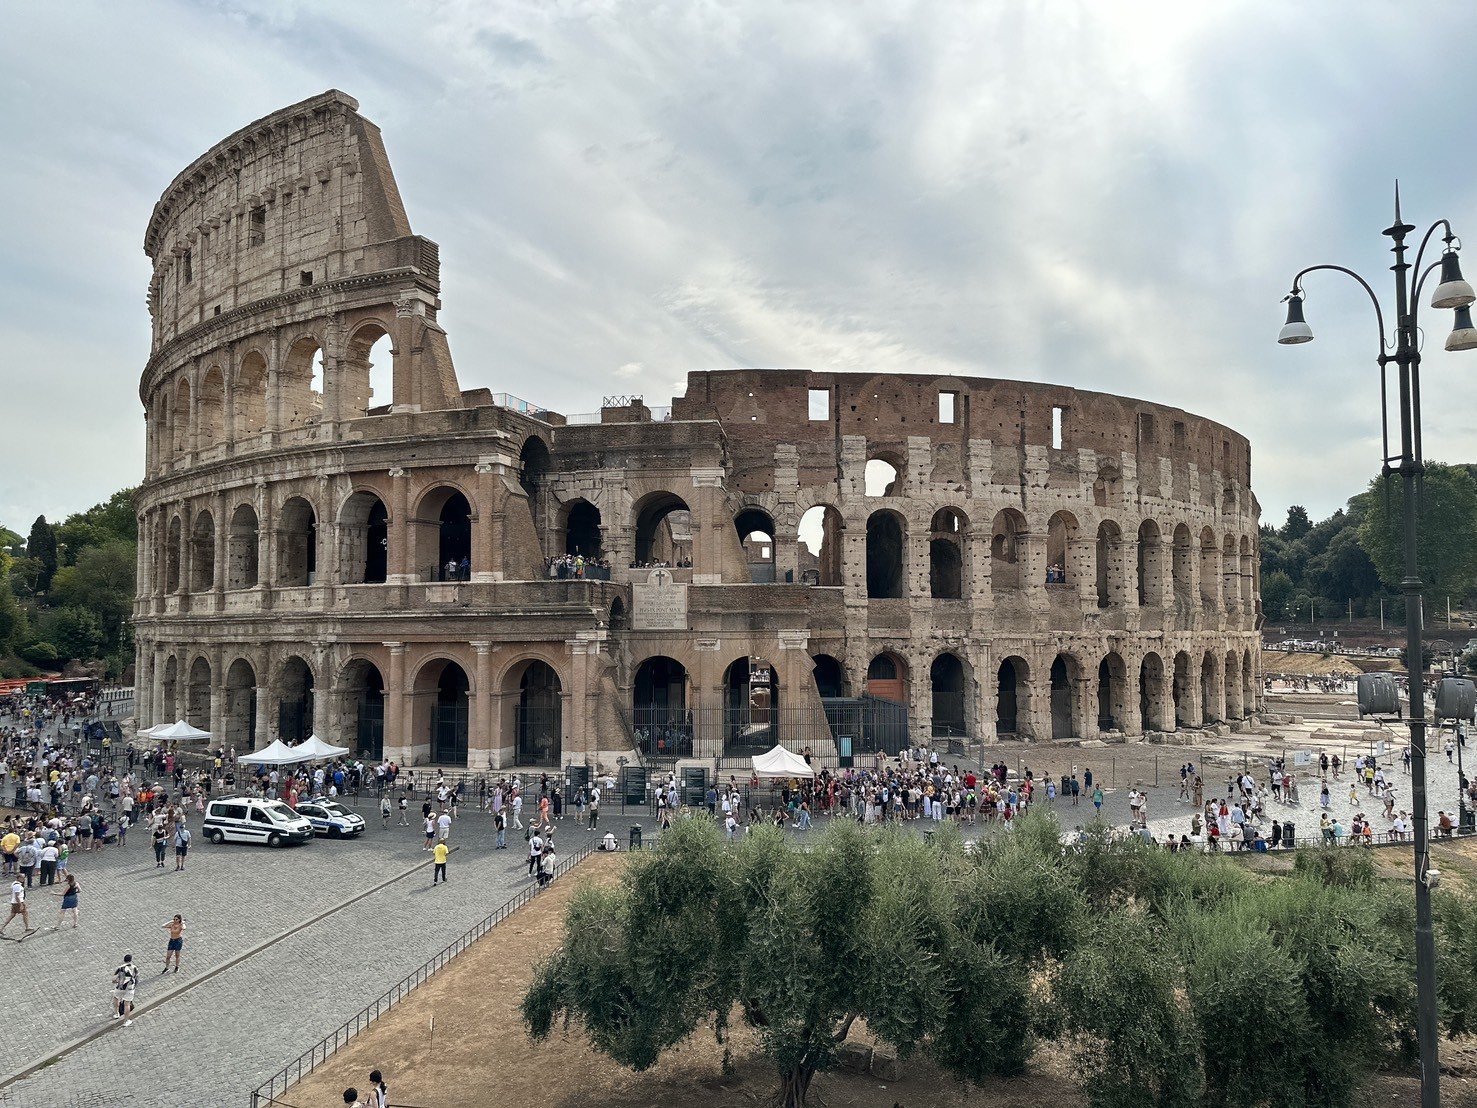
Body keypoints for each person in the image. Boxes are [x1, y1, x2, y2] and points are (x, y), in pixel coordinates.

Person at [1, 876, 32, 940]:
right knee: (25, 913)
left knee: (12, 915)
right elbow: (17, 896)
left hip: (14, 903)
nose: (23, 879)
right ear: (18, 878)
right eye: (22, 878)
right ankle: (27, 927)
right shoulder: (18, 886)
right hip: (18, 902)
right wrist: (21, 905)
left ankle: (1, 928)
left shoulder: (14, 883)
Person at [112, 953, 138, 1025]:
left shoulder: (120, 968)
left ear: (124, 960)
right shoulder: (135, 968)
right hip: (130, 988)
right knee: (127, 1004)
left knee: (116, 998)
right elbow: (136, 977)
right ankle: (126, 1021)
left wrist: (119, 981)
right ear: (131, 960)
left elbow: (113, 979)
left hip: (120, 987)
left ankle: (116, 1013)